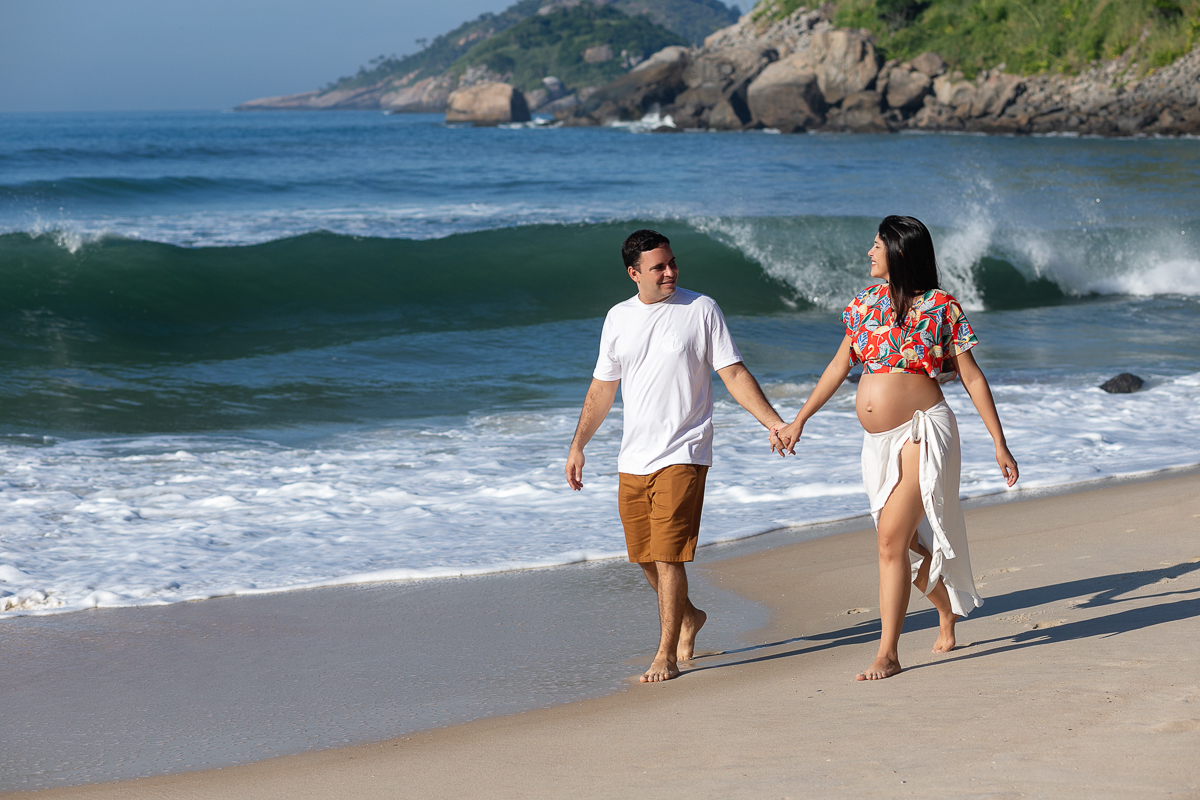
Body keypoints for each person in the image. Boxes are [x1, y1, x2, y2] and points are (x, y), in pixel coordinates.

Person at [772, 215, 1018, 681]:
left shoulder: (941, 307)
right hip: (876, 442)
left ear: (899, 252)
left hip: (923, 431)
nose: (869, 253)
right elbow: (839, 365)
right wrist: (799, 419)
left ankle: (888, 653)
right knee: (901, 540)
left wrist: (999, 444)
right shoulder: (864, 304)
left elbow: (970, 375)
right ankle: (945, 610)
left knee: (888, 542)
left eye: (876, 245)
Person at [566, 229, 787, 683]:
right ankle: (688, 617)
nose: (670, 272)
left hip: (685, 449)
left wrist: (773, 422)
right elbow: (603, 388)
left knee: (668, 556)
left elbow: (732, 371)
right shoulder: (617, 318)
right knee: (644, 555)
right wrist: (578, 444)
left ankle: (665, 654)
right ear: (634, 274)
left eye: (671, 263)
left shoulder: (700, 309)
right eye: (658, 267)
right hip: (633, 457)